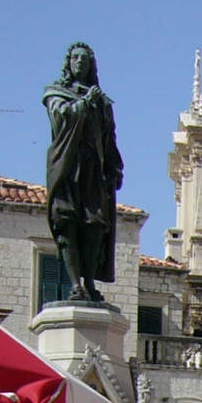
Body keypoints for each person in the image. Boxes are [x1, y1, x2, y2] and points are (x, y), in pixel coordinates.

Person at [43, 42, 124, 302]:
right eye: (75, 58)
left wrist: (114, 166)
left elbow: (109, 137)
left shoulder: (102, 102)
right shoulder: (56, 92)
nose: (80, 62)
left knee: (95, 225)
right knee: (67, 222)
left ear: (91, 65)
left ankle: (90, 282)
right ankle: (76, 284)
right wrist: (83, 105)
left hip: (93, 169)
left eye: (85, 59)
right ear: (68, 63)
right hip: (67, 166)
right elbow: (61, 118)